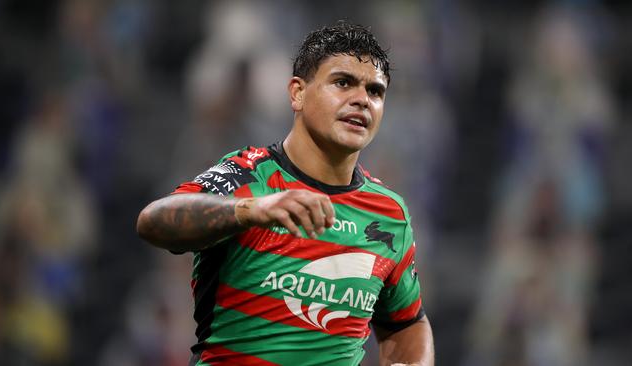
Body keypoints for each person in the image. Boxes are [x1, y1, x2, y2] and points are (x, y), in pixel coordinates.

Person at [137, 21, 434, 366]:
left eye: (375, 91)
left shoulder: (389, 214)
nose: (361, 100)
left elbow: (408, 322)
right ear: (297, 93)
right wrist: (251, 210)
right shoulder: (249, 174)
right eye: (343, 83)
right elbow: (153, 222)